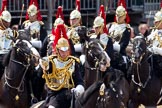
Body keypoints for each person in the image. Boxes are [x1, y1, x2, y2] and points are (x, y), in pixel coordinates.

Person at [39, 37, 84, 108]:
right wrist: (44, 63)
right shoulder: (52, 62)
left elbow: (79, 80)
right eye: (62, 51)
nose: (64, 53)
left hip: (70, 93)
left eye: (66, 51)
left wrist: (78, 88)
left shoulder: (73, 62)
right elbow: (46, 68)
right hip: (55, 95)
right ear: (57, 50)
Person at [0, 10, 19, 78]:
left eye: (8, 22)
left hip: (10, 55)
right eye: (5, 22)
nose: (7, 24)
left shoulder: (13, 33)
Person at [147, 10, 162, 77]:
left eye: (157, 22)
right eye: (155, 21)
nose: (154, 23)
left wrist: (155, 49)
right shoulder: (152, 31)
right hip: (150, 57)